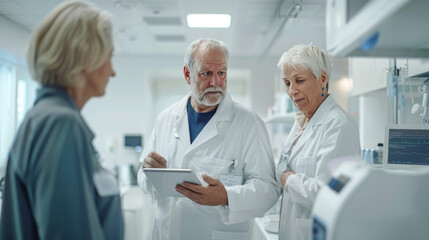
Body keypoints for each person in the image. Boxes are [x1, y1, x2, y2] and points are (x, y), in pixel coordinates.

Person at [0, 1, 124, 239]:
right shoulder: (59, 124)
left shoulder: (47, 118)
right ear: (87, 58)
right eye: (110, 57)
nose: (112, 71)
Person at [137, 38, 280, 240]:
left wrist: (227, 197)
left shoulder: (249, 124)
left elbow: (269, 190)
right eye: (206, 74)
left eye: (221, 73)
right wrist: (148, 171)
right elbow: (142, 178)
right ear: (187, 74)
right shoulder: (166, 119)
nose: (216, 82)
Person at [276, 44, 361, 240]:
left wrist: (289, 180)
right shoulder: (303, 121)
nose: (292, 91)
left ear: (323, 79)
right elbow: (284, 166)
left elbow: (330, 194)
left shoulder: (339, 126)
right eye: (287, 83)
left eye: (299, 80)